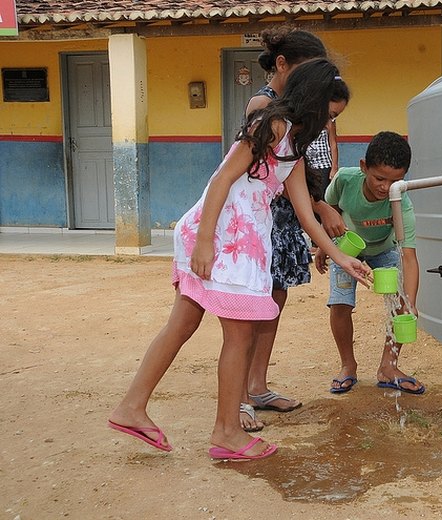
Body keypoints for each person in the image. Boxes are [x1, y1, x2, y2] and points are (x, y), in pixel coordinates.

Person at [107, 59, 369, 461]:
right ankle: (227, 432)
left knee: (184, 322)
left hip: (240, 238)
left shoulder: (293, 148)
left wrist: (339, 258)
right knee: (240, 334)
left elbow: (305, 214)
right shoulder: (272, 126)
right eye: (330, 116)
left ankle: (131, 407)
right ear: (315, 102)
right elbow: (222, 179)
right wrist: (205, 244)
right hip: (225, 238)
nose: (329, 125)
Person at [239, 27, 349, 432]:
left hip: (286, 218)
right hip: (261, 219)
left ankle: (257, 386)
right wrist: (320, 207)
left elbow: (297, 172)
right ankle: (238, 399)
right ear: (283, 65)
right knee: (252, 309)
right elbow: (266, 174)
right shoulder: (265, 108)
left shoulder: (301, 114)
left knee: (274, 302)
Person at [314, 131, 425, 395]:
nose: (386, 187)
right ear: (364, 167)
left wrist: (411, 303)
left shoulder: (401, 201)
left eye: (396, 181)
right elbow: (329, 209)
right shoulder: (345, 181)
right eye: (379, 178)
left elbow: (408, 256)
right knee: (340, 302)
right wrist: (324, 245)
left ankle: (389, 366)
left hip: (384, 250)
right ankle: (348, 366)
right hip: (348, 248)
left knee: (402, 303)